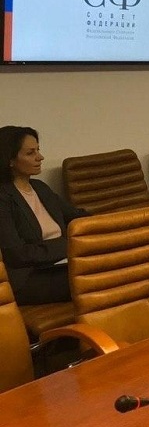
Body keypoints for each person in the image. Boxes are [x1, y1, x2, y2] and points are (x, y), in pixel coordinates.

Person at [0, 126, 88, 304]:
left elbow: (77, 216)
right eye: (30, 153)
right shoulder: (3, 197)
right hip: (30, 277)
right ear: (10, 160)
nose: (40, 157)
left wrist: (105, 226)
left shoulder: (40, 188)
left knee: (118, 266)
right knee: (98, 278)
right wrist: (68, 246)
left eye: (38, 150)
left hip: (63, 263)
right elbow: (16, 254)